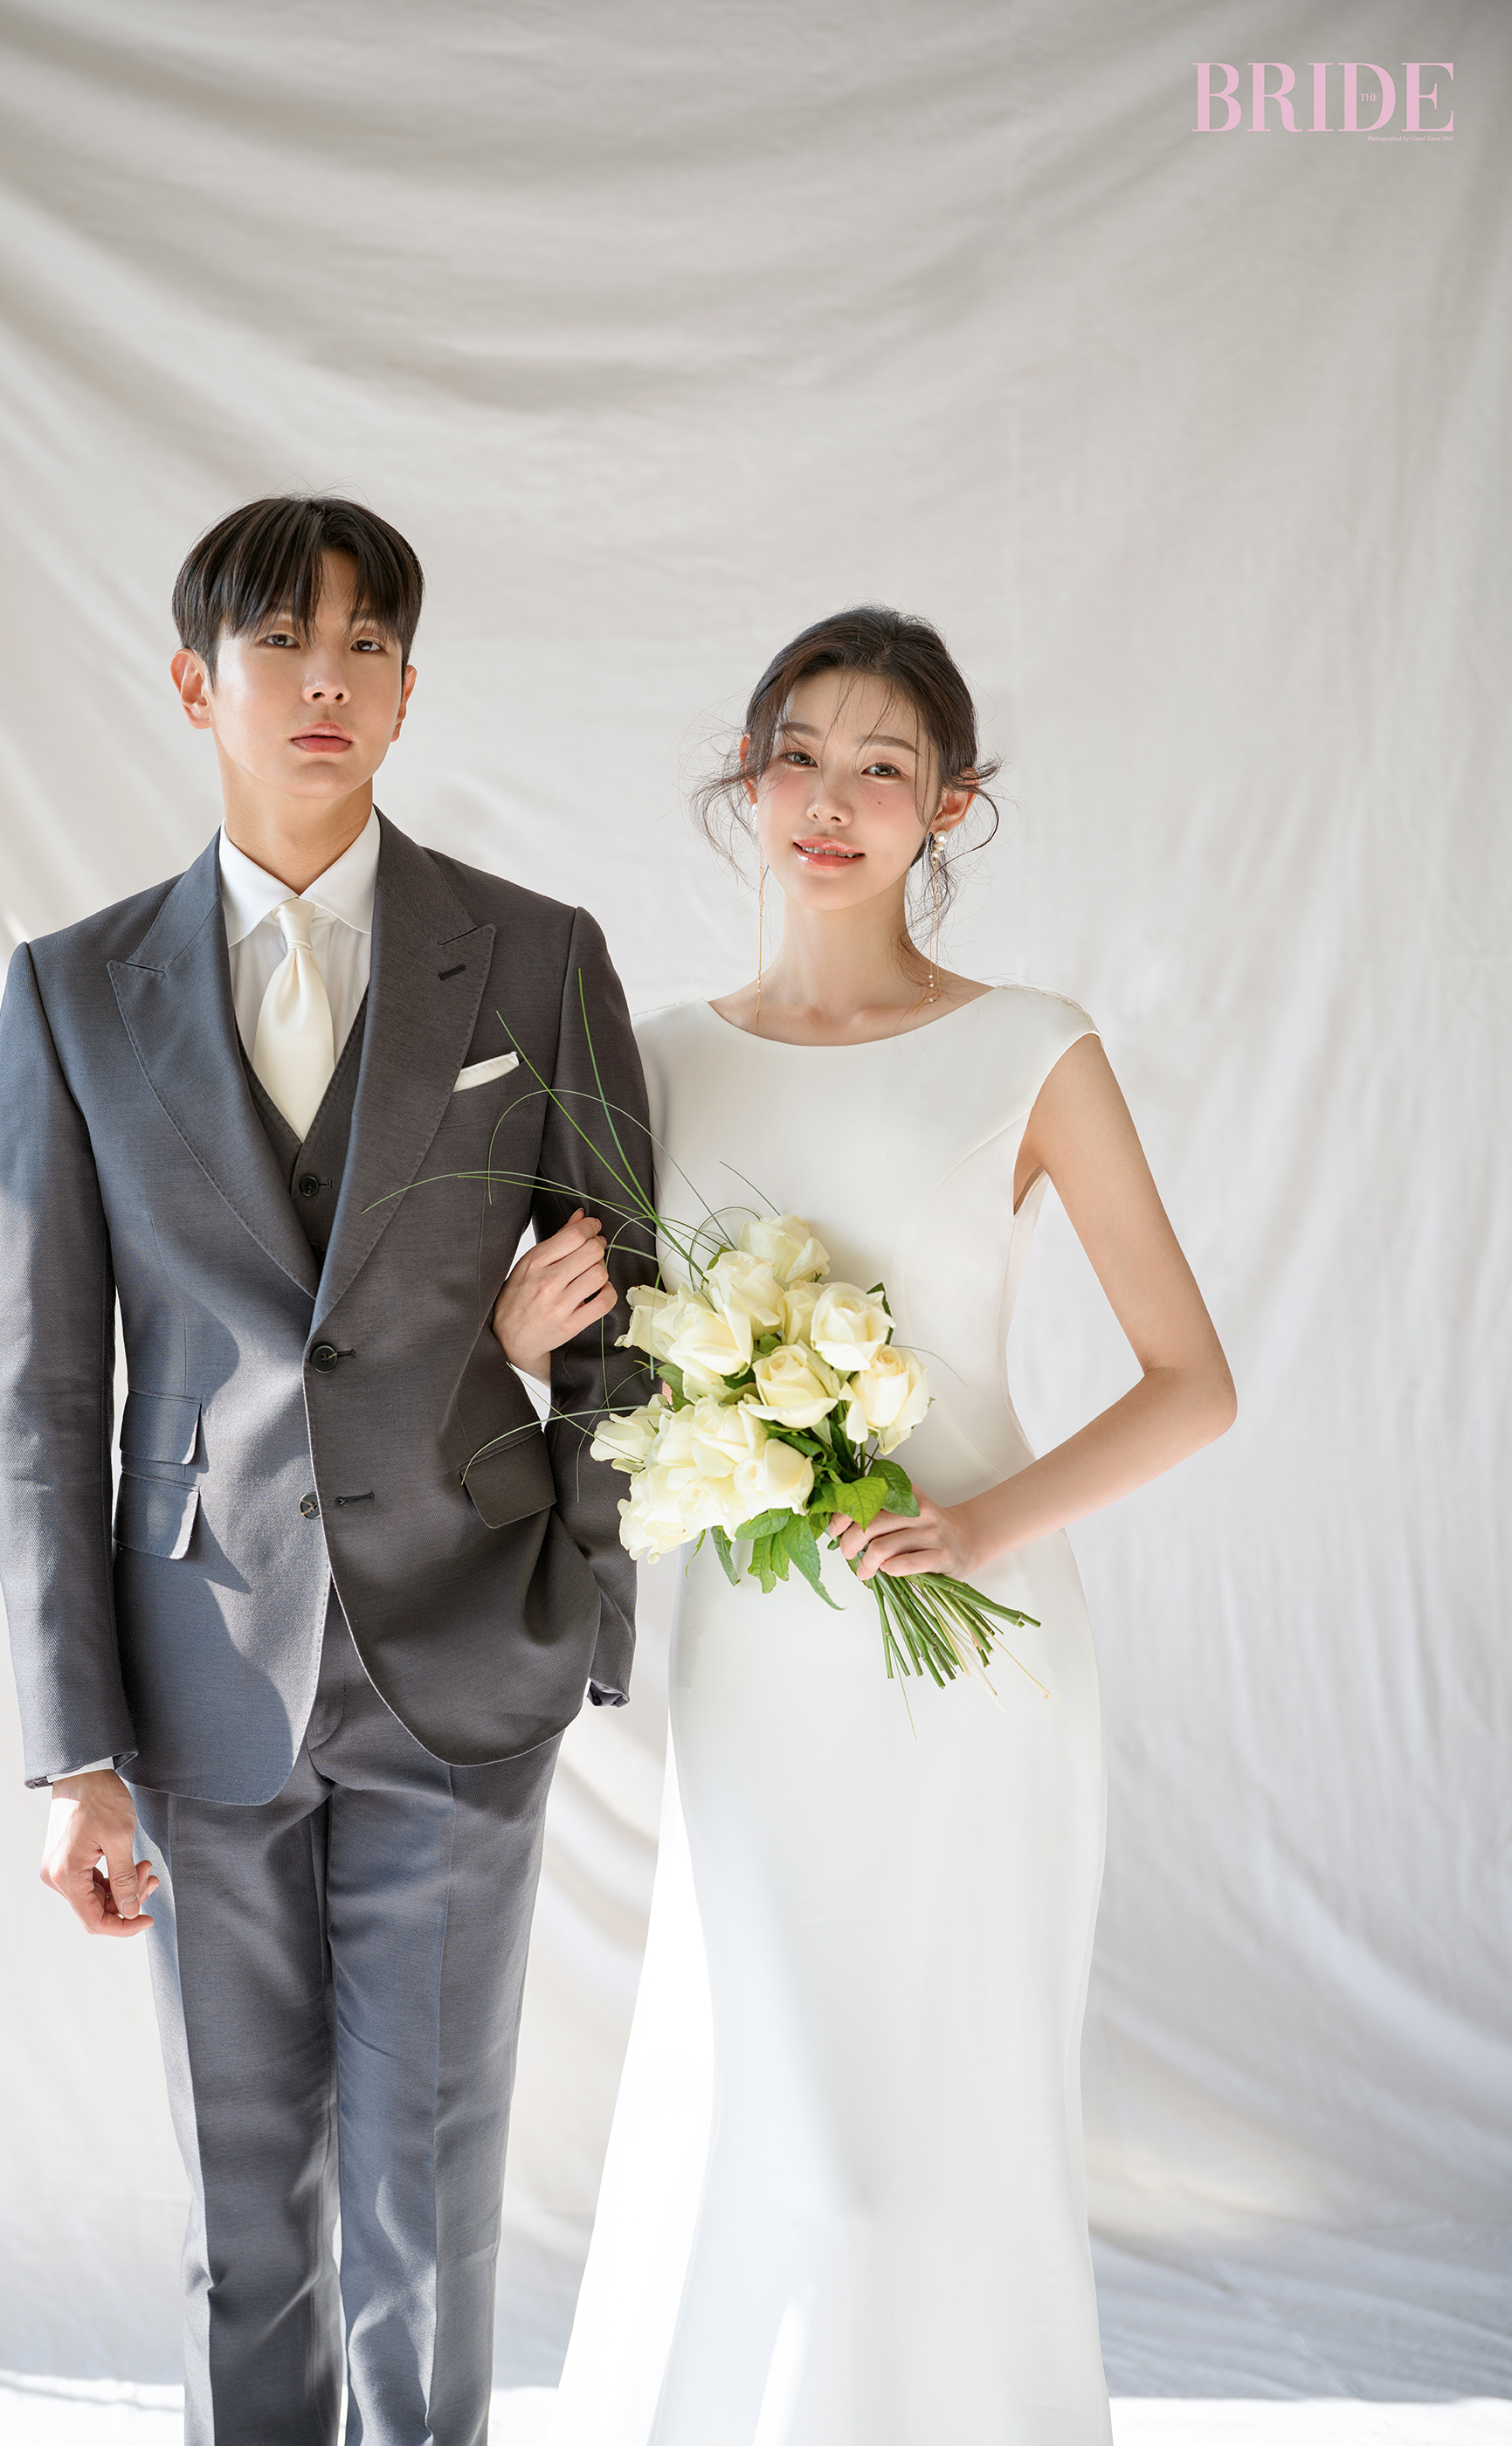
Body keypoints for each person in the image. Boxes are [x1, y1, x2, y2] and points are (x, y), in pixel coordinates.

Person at [504, 607, 1237, 2443]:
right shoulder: (656, 1055)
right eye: (797, 758)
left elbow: (1190, 1382)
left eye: (882, 768)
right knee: (775, 2098)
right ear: (748, 784)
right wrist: (516, 1335)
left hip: (975, 1660)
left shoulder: (1033, 1048)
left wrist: (981, 1528)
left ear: (949, 806)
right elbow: (595, 1360)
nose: (830, 801)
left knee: (951, 2108)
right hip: (760, 1662)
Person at [0, 494, 652, 2446]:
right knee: (242, 2203)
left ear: (411, 692)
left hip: (467, 1654)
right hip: (196, 1674)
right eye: (281, 640)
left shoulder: (535, 957)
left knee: (430, 2202)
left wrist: (585, 1607)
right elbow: (41, 1389)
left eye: (366, 643)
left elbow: (628, 1312)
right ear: (198, 685)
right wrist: (70, 1749)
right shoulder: (73, 991)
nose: (325, 677)